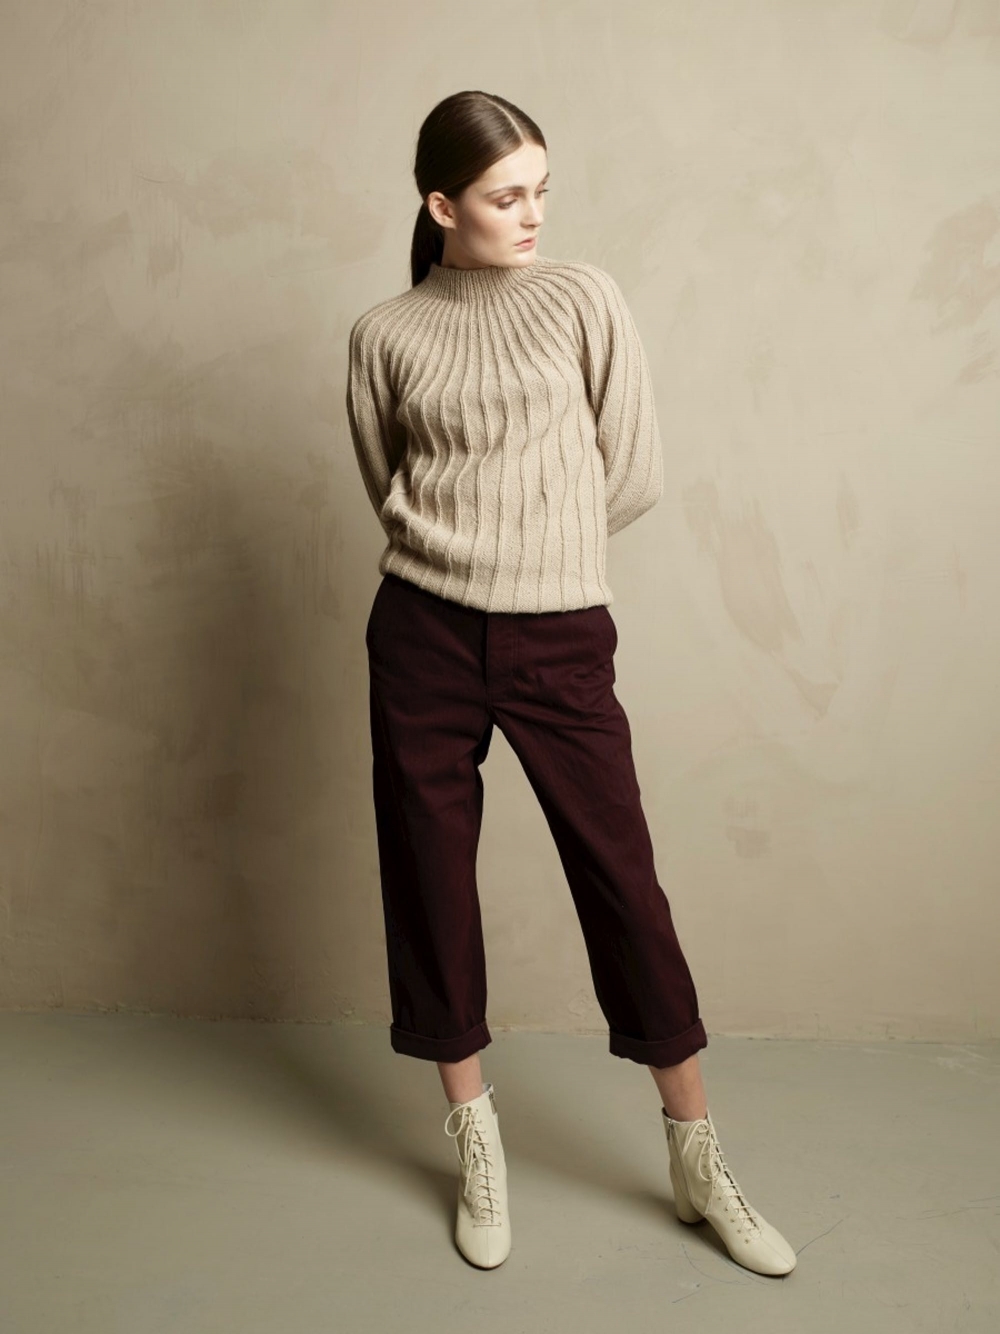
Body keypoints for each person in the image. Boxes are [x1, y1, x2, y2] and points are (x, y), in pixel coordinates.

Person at [345, 90, 796, 1278]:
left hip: (558, 634)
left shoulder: (583, 297)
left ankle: (697, 1156)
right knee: (430, 881)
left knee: (623, 882)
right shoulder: (384, 332)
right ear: (441, 205)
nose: (532, 213)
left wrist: (535, 560)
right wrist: (464, 559)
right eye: (506, 196)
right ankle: (474, 1138)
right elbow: (388, 480)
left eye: (541, 189)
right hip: (422, 634)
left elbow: (631, 468)